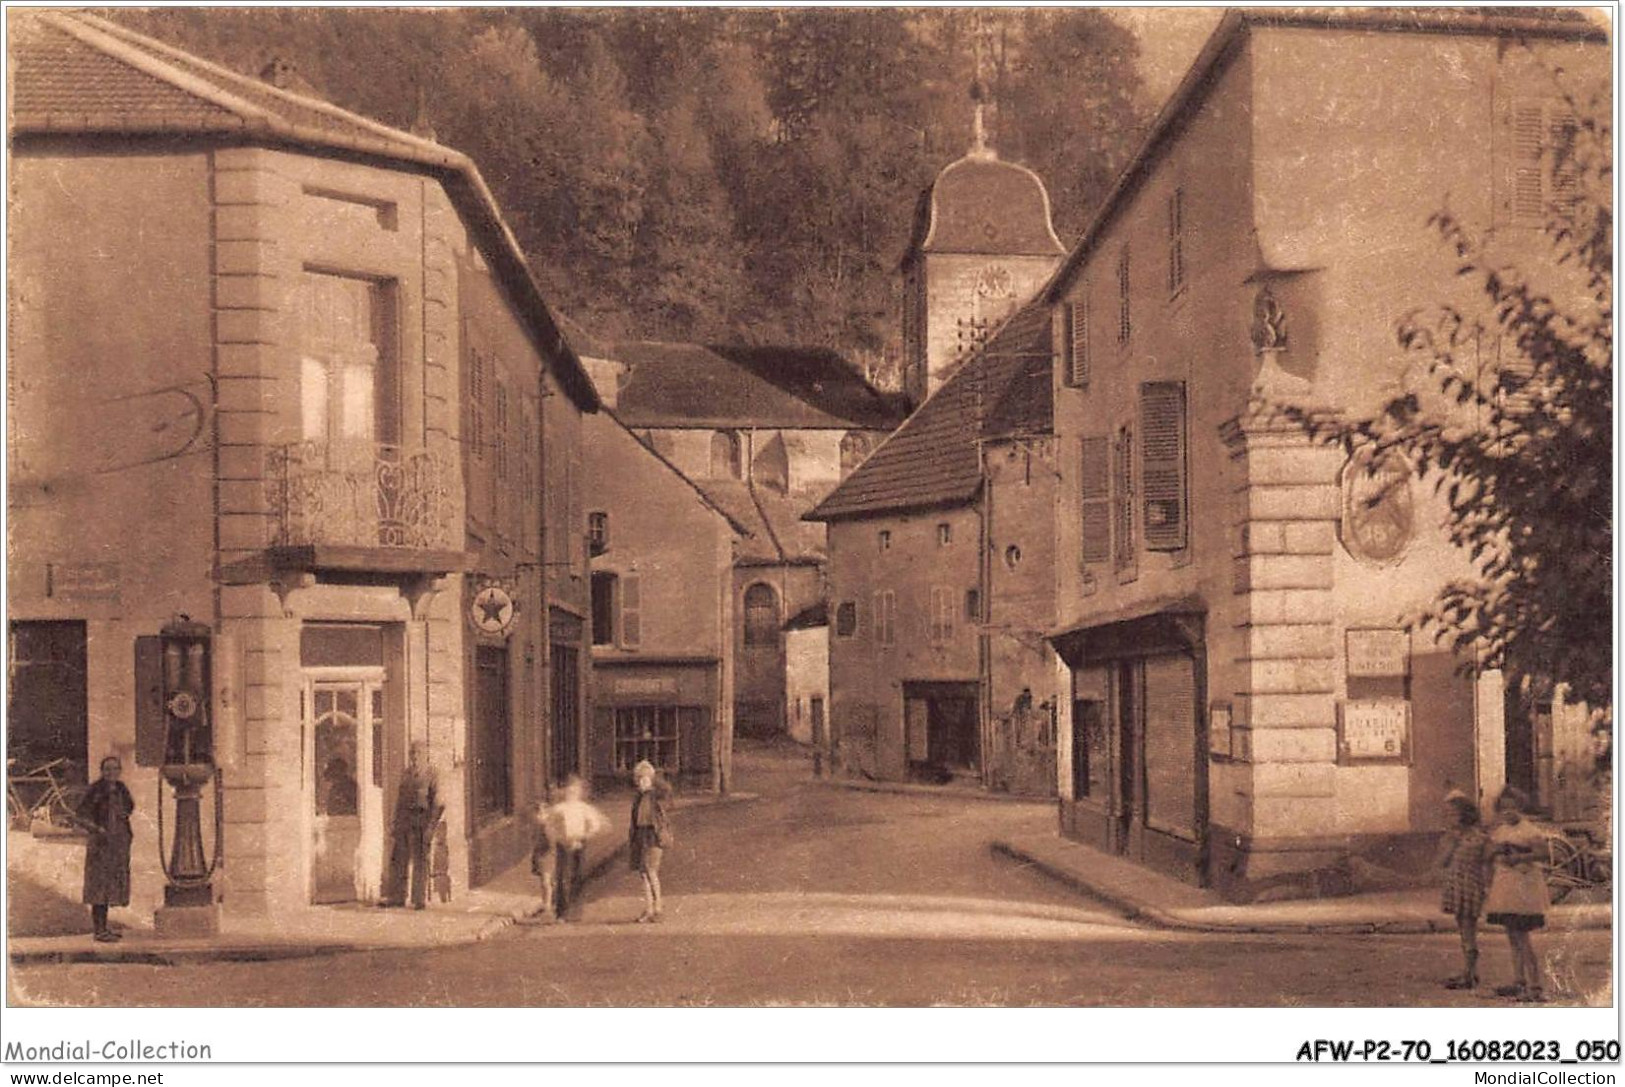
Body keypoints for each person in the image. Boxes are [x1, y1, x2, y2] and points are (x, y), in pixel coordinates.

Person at [1483, 786, 1551, 1002]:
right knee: (1512, 935)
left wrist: (1519, 858)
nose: (1508, 812)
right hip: (1506, 886)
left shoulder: (1530, 830)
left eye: (1513, 808)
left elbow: (1543, 854)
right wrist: (1494, 851)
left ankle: (1535, 985)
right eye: (1504, 809)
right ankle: (1518, 980)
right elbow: (1489, 852)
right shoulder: (1500, 830)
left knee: (1523, 936)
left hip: (1523, 886)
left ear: (1520, 808)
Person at [75, 756, 135, 943]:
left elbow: (129, 807)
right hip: (100, 846)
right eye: (107, 769)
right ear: (102, 771)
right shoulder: (95, 790)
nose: (111, 773)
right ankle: (99, 930)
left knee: (111, 886)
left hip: (117, 845)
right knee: (99, 888)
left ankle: (105, 928)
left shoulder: (121, 789)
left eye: (115, 769)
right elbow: (80, 816)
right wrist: (97, 829)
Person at [1437, 789, 1492, 990]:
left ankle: (1469, 974)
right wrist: (1450, 842)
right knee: (1463, 930)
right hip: (1457, 885)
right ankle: (1470, 971)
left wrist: (1487, 888)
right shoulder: (1452, 837)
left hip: (1470, 886)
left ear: (1465, 815)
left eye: (1453, 814)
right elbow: (1442, 862)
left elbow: (1487, 863)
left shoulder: (1480, 837)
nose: (1449, 818)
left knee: (1468, 931)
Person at [382, 742, 441, 910]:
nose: (414, 758)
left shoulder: (432, 774)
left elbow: (437, 803)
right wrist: (395, 823)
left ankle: (418, 899)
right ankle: (397, 897)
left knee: (420, 860)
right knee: (398, 859)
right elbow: (400, 800)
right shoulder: (406, 774)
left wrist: (431, 826)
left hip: (421, 821)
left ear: (425, 755)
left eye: (418, 754)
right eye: (412, 754)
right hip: (404, 821)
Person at [545, 775, 606, 921]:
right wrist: (558, 838)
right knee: (563, 877)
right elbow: (549, 827)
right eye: (569, 790)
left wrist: (585, 835)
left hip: (579, 842)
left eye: (575, 790)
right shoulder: (559, 809)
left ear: (579, 792)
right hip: (563, 843)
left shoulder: (583, 808)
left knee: (577, 875)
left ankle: (576, 910)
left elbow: (595, 824)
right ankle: (562, 912)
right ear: (564, 792)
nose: (571, 793)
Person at [628, 760, 673, 924]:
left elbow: (667, 790)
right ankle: (649, 908)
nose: (642, 783)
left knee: (651, 870)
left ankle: (658, 908)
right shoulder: (638, 798)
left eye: (645, 779)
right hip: (641, 835)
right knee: (643, 873)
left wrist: (655, 778)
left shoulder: (655, 795)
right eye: (639, 779)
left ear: (651, 780)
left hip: (653, 835)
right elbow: (634, 820)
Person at [530, 790, 558, 922]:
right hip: (543, 857)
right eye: (536, 814)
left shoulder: (547, 828)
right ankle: (546, 903)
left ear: (546, 814)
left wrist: (543, 853)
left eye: (540, 814)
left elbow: (551, 843)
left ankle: (547, 906)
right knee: (544, 882)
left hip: (547, 857)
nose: (537, 817)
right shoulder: (541, 827)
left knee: (546, 882)